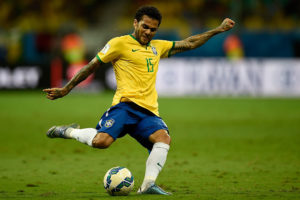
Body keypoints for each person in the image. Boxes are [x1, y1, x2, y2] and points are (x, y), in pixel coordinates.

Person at [43, 6, 235, 195]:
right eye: (145, 26)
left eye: (153, 29)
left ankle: (148, 185)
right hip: (124, 107)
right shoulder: (119, 43)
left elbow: (190, 43)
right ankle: (68, 131)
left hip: (148, 112)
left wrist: (218, 29)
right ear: (135, 23)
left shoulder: (157, 47)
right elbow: (91, 66)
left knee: (163, 138)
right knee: (101, 142)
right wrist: (66, 88)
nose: (148, 32)